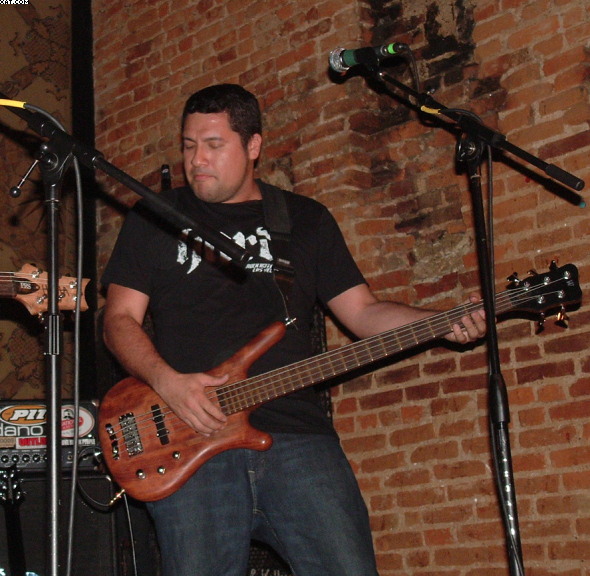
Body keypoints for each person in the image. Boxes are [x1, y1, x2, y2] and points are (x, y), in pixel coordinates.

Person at [101, 83, 486, 576]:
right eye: (189, 145)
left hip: (298, 439)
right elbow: (118, 321)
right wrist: (168, 383)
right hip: (190, 439)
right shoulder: (156, 218)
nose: (197, 160)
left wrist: (439, 323)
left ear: (253, 146)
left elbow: (363, 313)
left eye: (214, 145)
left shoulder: (305, 220)